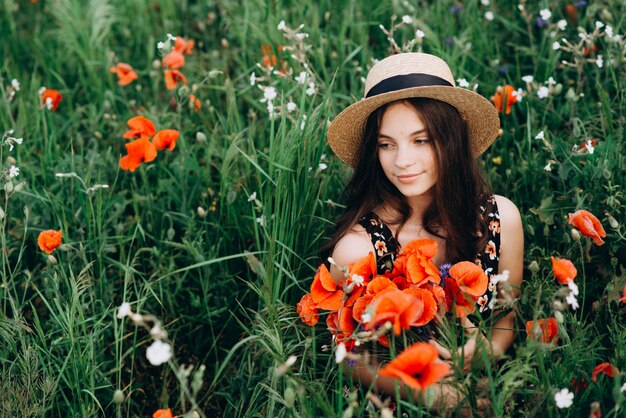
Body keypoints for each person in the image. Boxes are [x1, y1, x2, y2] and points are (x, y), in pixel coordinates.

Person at [320, 52, 524, 410]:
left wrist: (487, 352)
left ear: (451, 140)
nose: (402, 161)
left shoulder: (500, 219)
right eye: (386, 144)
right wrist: (417, 388)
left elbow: (507, 320)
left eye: (421, 140)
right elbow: (341, 357)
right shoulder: (358, 249)